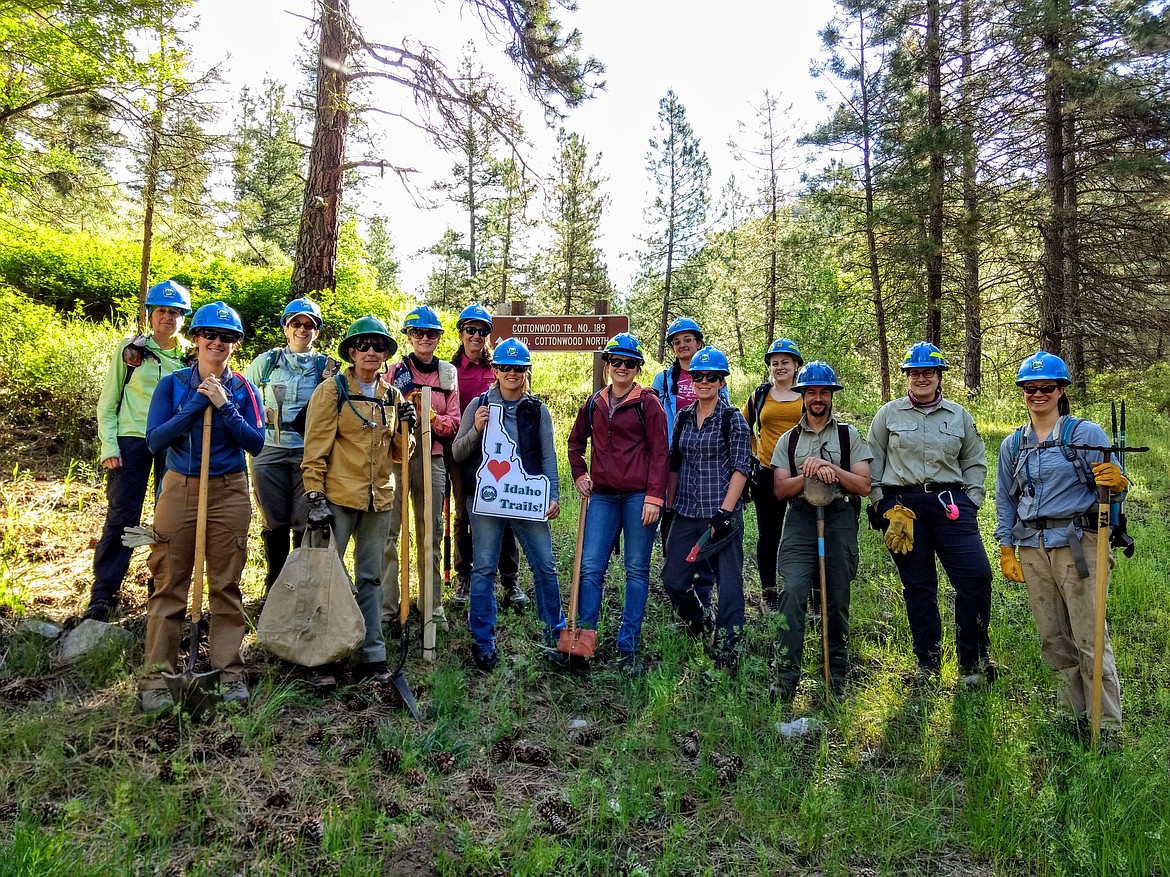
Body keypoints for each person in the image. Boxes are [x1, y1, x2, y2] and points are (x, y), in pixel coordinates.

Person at [139, 301, 265, 712]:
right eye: (210, 334)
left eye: (227, 337)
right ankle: (158, 678)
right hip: (180, 488)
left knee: (226, 583)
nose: (217, 342)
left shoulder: (245, 389)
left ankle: (228, 672)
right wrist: (198, 402)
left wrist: (225, 405)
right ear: (195, 339)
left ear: (236, 345)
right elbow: (156, 440)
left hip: (229, 489)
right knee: (170, 581)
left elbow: (256, 443)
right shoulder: (173, 384)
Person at [995, 351, 1127, 735]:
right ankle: (1072, 717)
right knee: (1054, 639)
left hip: (1078, 545)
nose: (1038, 394)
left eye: (1046, 387)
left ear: (1061, 390)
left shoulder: (1085, 434)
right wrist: (1006, 547)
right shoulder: (1012, 444)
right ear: (1022, 392)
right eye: (1030, 388)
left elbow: (1113, 490)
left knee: (1090, 637)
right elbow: (1006, 498)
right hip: (1033, 547)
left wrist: (1116, 484)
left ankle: (1106, 726)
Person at [868, 342, 998, 685]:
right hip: (903, 509)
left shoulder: (959, 416)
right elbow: (873, 461)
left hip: (951, 506)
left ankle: (974, 658)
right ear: (906, 377)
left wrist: (971, 500)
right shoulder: (888, 415)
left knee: (976, 578)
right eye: (915, 372)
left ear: (939, 376)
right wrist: (880, 504)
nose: (921, 378)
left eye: (928, 372)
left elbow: (974, 460)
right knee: (919, 586)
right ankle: (927, 663)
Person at [301, 315, 415, 687]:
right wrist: (314, 495)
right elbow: (315, 448)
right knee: (327, 578)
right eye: (363, 345)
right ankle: (321, 657)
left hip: (378, 499)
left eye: (378, 346)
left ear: (385, 354)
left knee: (372, 577)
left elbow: (400, 455)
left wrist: (408, 427)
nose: (370, 351)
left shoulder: (392, 396)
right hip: (337, 496)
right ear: (351, 351)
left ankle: (372, 655)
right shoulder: (332, 391)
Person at [451, 338, 567, 673]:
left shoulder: (538, 410)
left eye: (518, 368)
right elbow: (459, 452)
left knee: (545, 566)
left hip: (526, 499)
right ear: (496, 370)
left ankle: (554, 636)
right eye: (505, 368)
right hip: (486, 499)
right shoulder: (479, 404)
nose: (512, 374)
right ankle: (484, 642)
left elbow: (548, 455)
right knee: (484, 568)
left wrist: (554, 495)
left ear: (527, 370)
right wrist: (475, 429)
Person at [86, 279, 191, 622]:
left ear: (183, 318)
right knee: (122, 516)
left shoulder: (190, 355)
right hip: (131, 440)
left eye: (175, 312)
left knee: (170, 519)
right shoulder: (131, 350)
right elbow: (109, 400)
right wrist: (109, 444)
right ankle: (103, 595)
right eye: (161, 310)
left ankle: (161, 590)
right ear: (150, 314)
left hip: (173, 442)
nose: (168, 317)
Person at [770, 361, 872, 703]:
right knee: (793, 591)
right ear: (802, 395)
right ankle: (785, 679)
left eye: (823, 392)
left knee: (836, 599)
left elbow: (862, 484)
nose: (817, 399)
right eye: (811, 392)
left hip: (839, 516)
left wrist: (830, 468)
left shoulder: (848, 435)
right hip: (800, 517)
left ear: (831, 396)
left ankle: (835, 680)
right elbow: (781, 490)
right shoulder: (789, 439)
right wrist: (810, 474)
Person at [568, 332, 669, 675]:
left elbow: (660, 454)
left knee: (636, 569)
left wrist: (655, 497)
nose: (622, 367)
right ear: (607, 364)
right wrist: (580, 474)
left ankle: (628, 648)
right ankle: (583, 640)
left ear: (637, 367)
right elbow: (575, 442)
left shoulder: (649, 404)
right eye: (616, 361)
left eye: (629, 363)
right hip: (603, 496)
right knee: (591, 566)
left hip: (640, 496)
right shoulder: (595, 402)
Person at [661, 346, 751, 677]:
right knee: (673, 578)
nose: (703, 382)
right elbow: (674, 464)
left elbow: (742, 468)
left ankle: (728, 647)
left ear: (721, 381)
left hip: (721, 513)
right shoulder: (683, 418)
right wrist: (669, 506)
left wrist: (725, 513)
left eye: (711, 377)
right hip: (685, 510)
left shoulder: (733, 419)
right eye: (698, 376)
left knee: (729, 584)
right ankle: (698, 620)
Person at [242, 297, 329, 594]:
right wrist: (257, 415)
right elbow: (243, 395)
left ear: (316, 331)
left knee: (302, 519)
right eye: (296, 324)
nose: (302, 329)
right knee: (273, 518)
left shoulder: (326, 367)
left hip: (309, 452)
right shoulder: (266, 363)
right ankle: (274, 585)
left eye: (309, 325)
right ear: (286, 328)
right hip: (268, 448)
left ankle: (300, 586)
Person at [382, 305, 460, 632]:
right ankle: (388, 608)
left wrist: (430, 417)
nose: (424, 338)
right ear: (409, 337)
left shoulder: (447, 375)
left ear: (439, 338)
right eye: (418, 333)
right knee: (390, 533)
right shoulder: (394, 372)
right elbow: (381, 413)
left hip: (433, 458)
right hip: (398, 459)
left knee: (431, 532)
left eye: (431, 333)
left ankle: (432, 606)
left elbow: (454, 421)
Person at [447, 304, 526, 610]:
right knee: (464, 515)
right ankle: (464, 575)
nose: (477, 336)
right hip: (463, 449)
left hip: (502, 452)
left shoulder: (501, 365)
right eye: (471, 330)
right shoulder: (449, 369)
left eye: (483, 331)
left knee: (505, 512)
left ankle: (509, 580)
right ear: (461, 333)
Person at [652, 317, 728, 616]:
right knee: (672, 525)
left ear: (699, 343)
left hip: (706, 462)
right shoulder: (664, 379)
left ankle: (703, 596)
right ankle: (680, 593)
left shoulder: (713, 373)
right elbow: (656, 416)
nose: (682, 345)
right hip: (673, 458)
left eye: (688, 340)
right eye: (676, 341)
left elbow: (723, 415)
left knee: (705, 529)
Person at [742, 338, 805, 614]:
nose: (780, 367)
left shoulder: (808, 393)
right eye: (774, 363)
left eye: (785, 362)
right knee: (769, 535)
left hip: (803, 474)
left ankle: (813, 593)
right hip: (767, 472)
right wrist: (755, 452)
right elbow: (741, 426)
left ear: (796, 366)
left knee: (805, 533)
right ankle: (769, 592)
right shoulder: (760, 395)